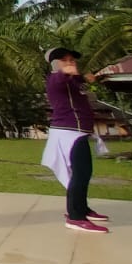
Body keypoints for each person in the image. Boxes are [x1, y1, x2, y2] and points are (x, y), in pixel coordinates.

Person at [40, 47, 110, 233]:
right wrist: (65, 71)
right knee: (79, 174)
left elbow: (82, 78)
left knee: (83, 173)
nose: (71, 63)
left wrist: (91, 77)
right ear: (56, 64)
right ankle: (75, 217)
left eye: (72, 59)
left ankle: (82, 209)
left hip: (78, 133)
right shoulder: (55, 79)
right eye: (66, 60)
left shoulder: (73, 82)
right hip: (68, 134)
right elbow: (59, 78)